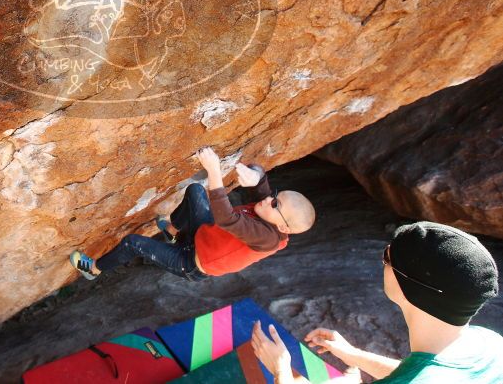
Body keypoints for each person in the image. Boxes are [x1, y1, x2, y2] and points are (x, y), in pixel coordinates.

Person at [251, 221, 502, 383]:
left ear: (410, 289)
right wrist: (354, 355)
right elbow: (419, 376)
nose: (382, 262)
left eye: (387, 257)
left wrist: (281, 371)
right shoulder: (489, 345)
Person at [69, 146, 316, 282]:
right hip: (204, 236)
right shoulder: (269, 213)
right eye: (277, 195)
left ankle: (94, 269)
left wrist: (215, 172)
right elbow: (263, 189)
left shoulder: (268, 239)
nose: (270, 199)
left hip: (191, 262)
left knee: (133, 243)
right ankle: (175, 233)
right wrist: (258, 177)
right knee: (196, 191)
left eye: (276, 204)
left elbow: (227, 218)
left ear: (283, 228)